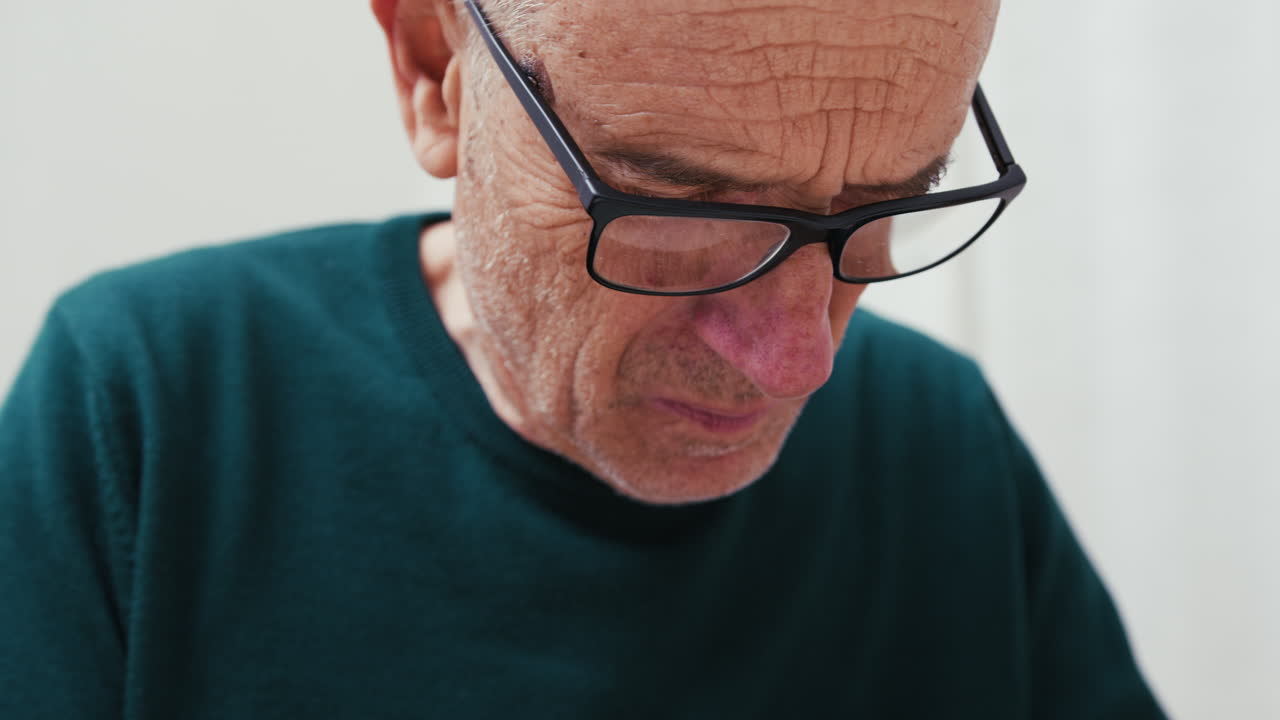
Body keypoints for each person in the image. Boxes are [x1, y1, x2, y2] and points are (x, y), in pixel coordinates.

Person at [0, 0, 1167, 717]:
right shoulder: (148, 408)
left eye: (880, 211)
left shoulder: (935, 439)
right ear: (431, 71)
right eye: (683, 213)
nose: (795, 361)